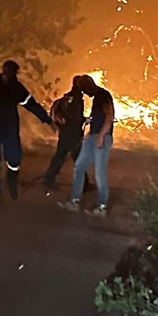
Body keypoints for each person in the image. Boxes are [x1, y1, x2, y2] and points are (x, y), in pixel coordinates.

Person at [0, 59, 54, 204]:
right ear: (4, 71)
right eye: (10, 73)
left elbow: (32, 105)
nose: (11, 76)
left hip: (10, 129)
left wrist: (48, 120)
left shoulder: (17, 88)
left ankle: (11, 179)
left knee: (14, 159)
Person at [58, 74, 114, 217]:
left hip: (102, 138)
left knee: (99, 173)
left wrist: (101, 136)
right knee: (79, 166)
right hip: (93, 137)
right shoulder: (97, 98)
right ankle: (75, 201)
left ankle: (102, 207)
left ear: (89, 85)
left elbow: (109, 116)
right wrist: (91, 132)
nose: (85, 93)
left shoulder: (103, 96)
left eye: (84, 89)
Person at [42, 76, 88, 190]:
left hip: (66, 131)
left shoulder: (68, 97)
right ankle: (48, 179)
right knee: (67, 156)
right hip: (72, 133)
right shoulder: (76, 99)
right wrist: (84, 120)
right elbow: (74, 117)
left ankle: (84, 184)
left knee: (67, 156)